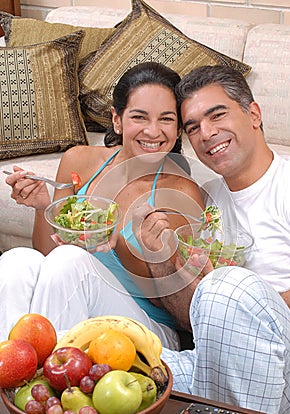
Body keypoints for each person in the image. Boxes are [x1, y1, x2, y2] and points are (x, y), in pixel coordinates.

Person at [132, 65, 290, 414]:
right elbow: (192, 318)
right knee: (111, 353)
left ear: (253, 114)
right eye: (192, 128)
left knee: (226, 288)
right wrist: (159, 260)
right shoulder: (206, 201)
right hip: (218, 364)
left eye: (216, 115)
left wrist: (242, 312)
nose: (206, 133)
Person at [0, 62, 204, 349]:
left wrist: (118, 243)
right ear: (117, 120)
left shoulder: (180, 191)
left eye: (166, 119)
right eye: (139, 117)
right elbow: (48, 254)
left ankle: (45, 382)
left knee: (71, 260)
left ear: (178, 128)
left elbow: (175, 303)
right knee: (18, 261)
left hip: (147, 325)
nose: (153, 131)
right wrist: (43, 207)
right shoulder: (79, 161)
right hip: (74, 301)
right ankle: (10, 375)